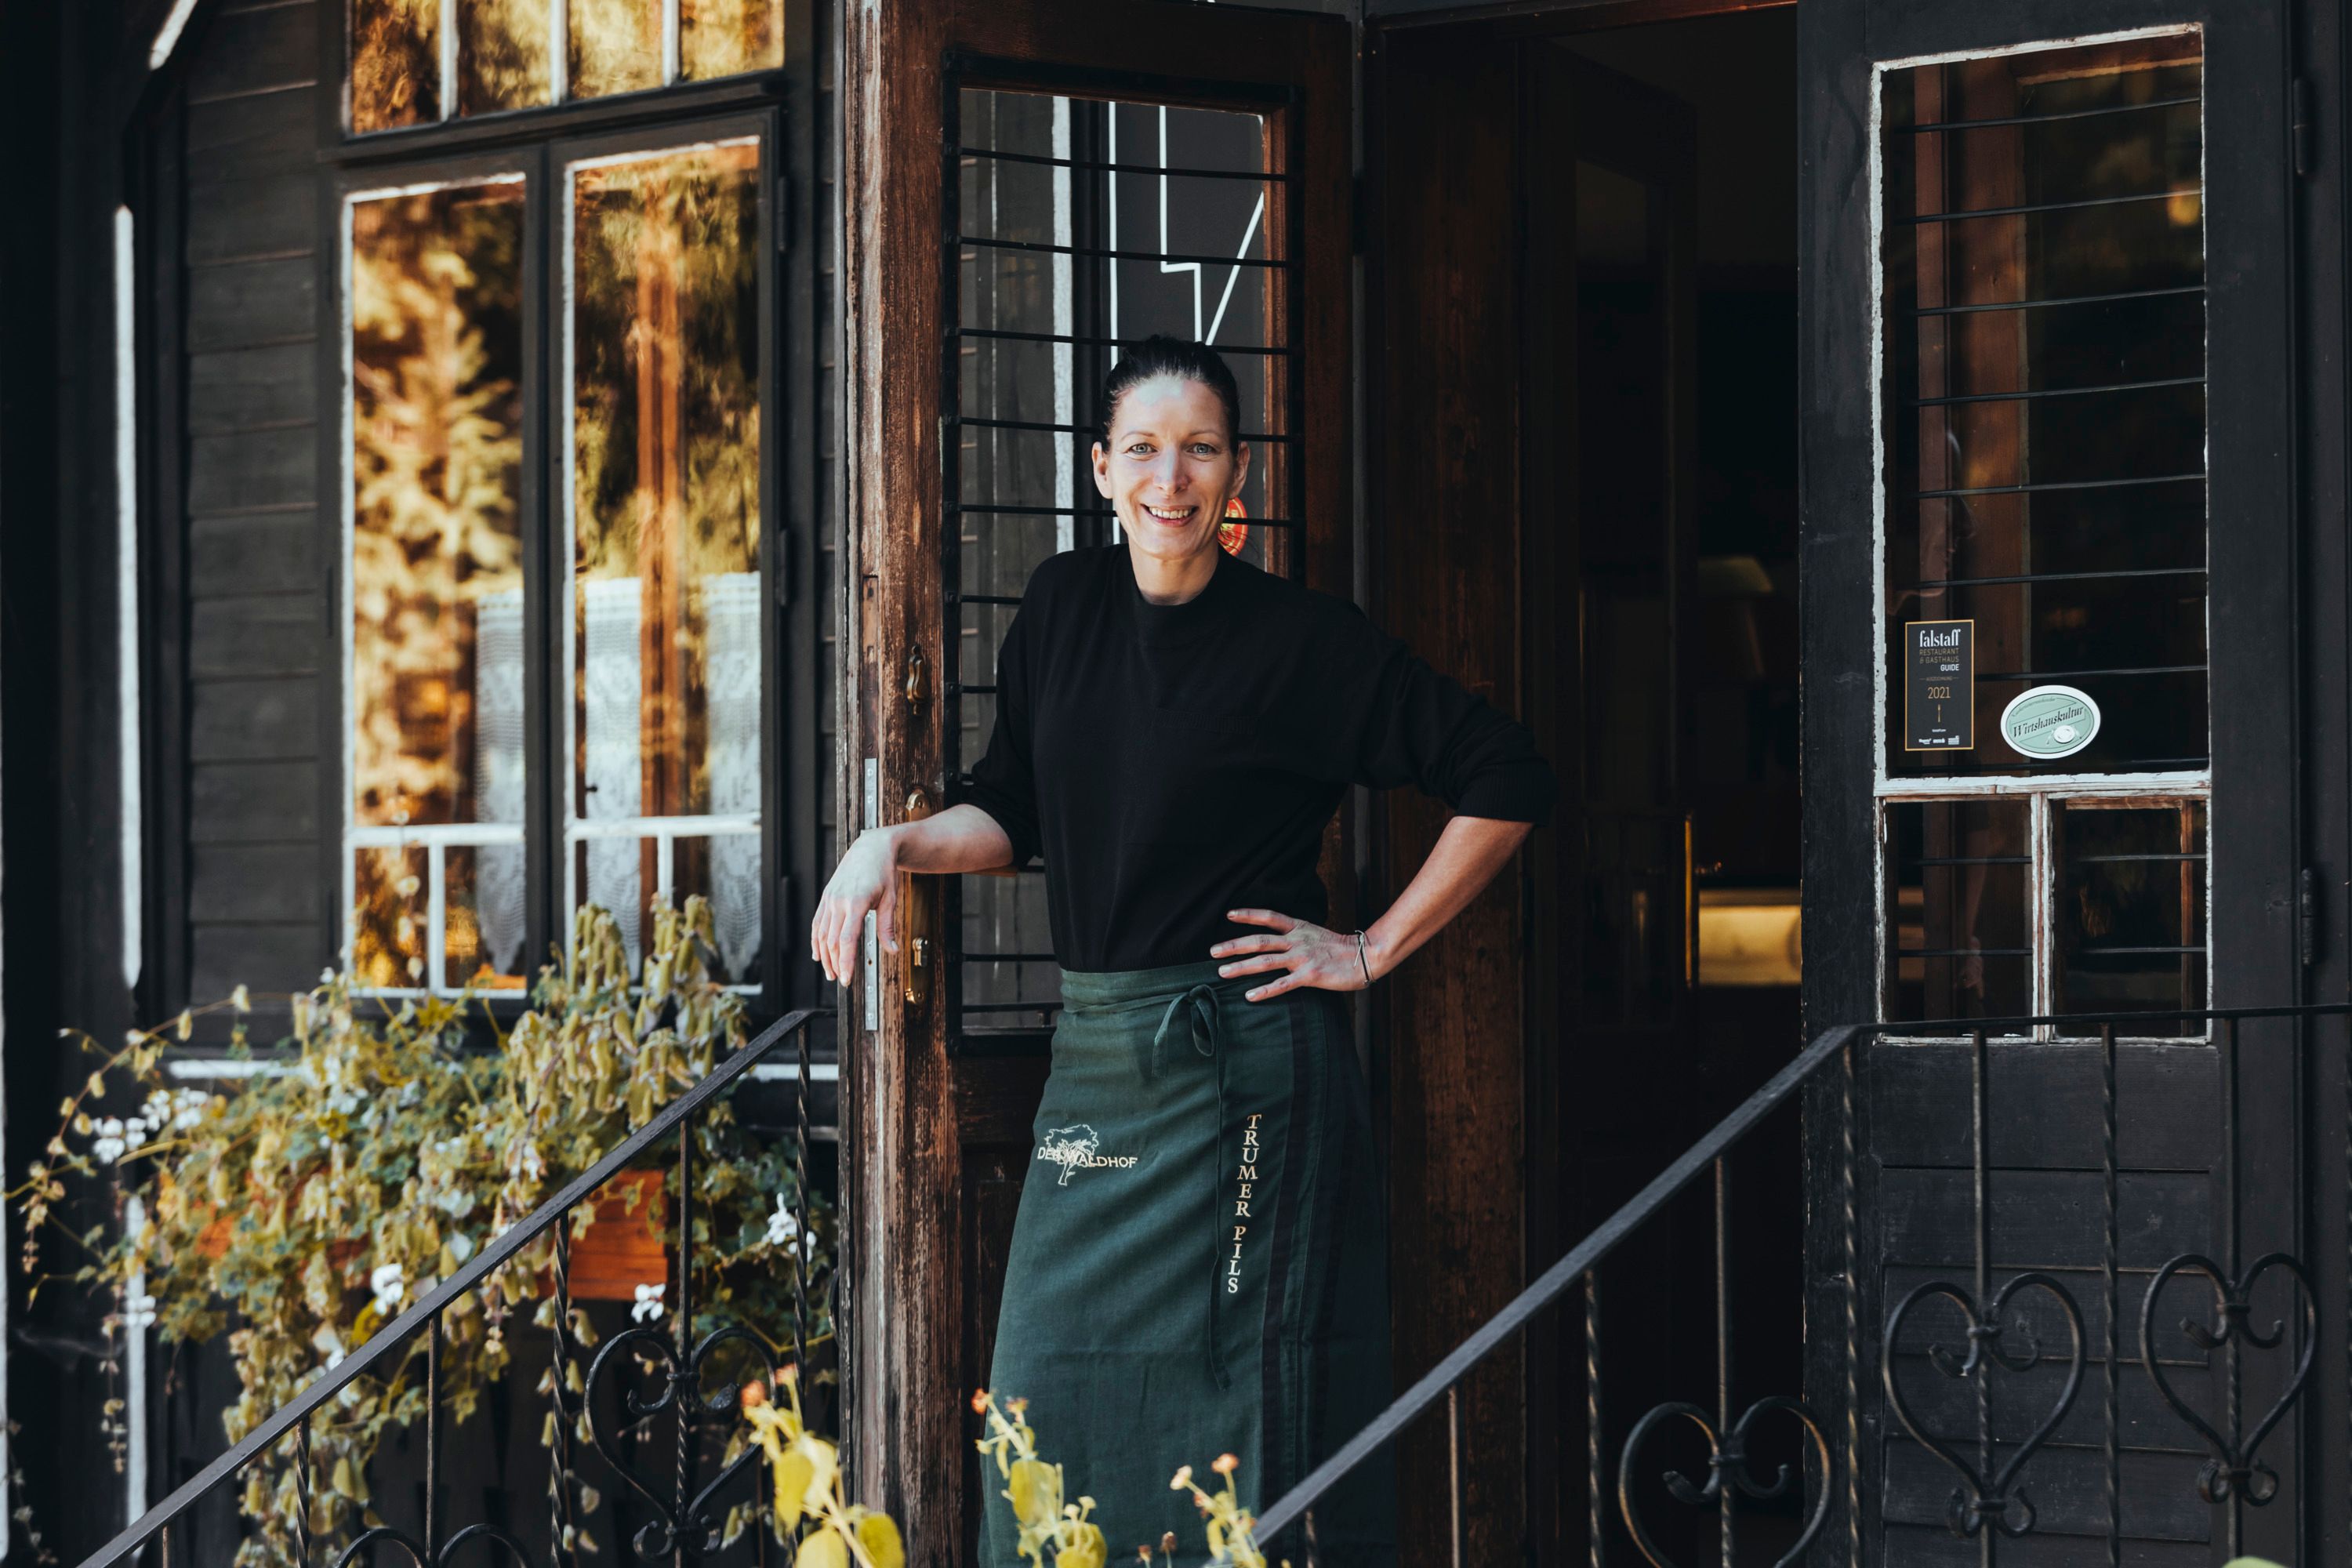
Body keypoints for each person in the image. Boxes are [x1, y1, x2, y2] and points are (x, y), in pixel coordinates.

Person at [809, 336, 1555, 1565]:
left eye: (1200, 448)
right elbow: (1013, 812)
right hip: (1100, 1061)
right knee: (1042, 1387)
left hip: (1247, 1068)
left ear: (1236, 471)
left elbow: (1506, 774)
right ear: (1101, 469)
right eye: (1145, 449)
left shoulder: (1305, 642)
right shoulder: (1058, 609)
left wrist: (1369, 950)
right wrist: (884, 847)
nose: (1172, 478)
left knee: (1249, 1403)